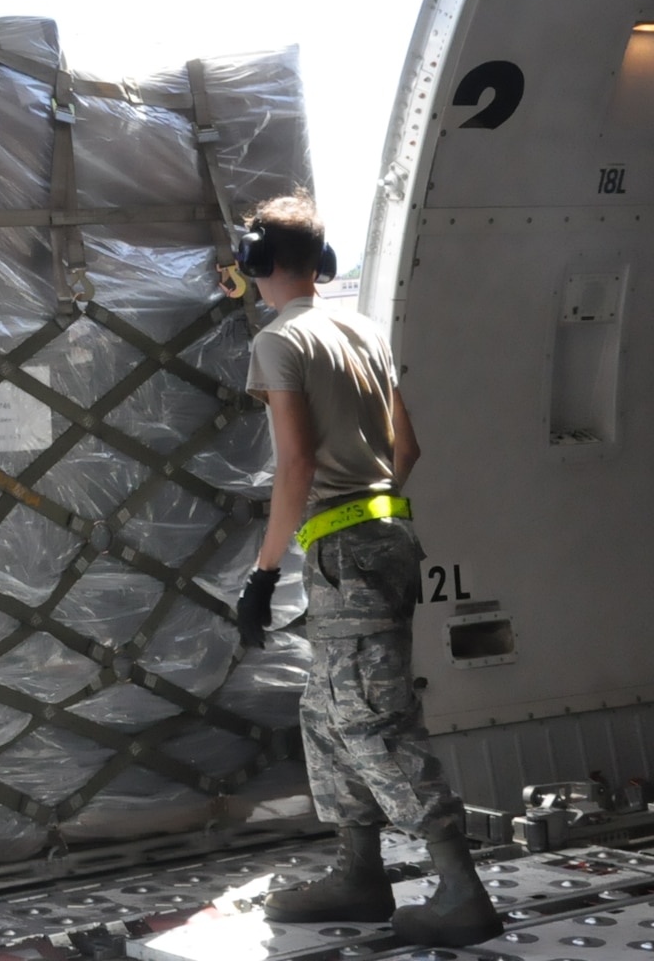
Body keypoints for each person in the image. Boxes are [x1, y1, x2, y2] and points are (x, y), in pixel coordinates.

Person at [231, 192, 500, 949]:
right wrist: (371, 516)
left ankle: (458, 888)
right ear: (317, 260)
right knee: (326, 708)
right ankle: (358, 871)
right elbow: (406, 448)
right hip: (384, 536)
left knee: (370, 718)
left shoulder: (280, 341)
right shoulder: (362, 328)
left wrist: (261, 573)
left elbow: (296, 464)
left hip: (343, 550)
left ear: (260, 261)